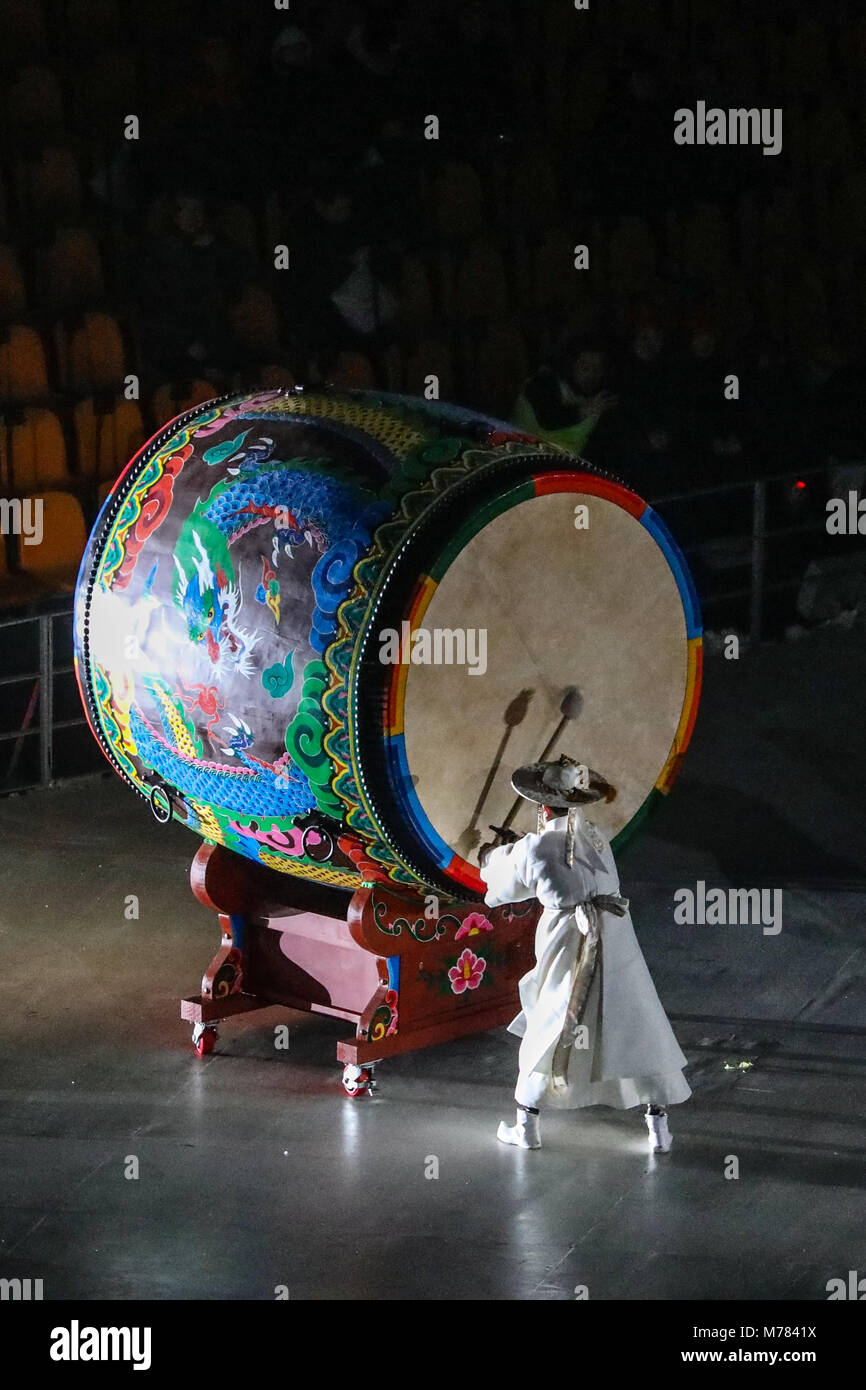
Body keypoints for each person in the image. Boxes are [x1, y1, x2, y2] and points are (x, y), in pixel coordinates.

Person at [478, 754, 690, 1153]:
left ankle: (527, 1127)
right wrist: (520, 848)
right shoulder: (597, 838)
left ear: (543, 806)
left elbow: (504, 885)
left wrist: (494, 854)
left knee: (554, 1020)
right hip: (615, 937)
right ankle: (658, 1130)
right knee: (630, 1021)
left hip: (570, 940)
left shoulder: (536, 847)